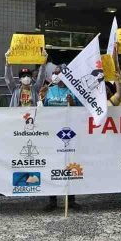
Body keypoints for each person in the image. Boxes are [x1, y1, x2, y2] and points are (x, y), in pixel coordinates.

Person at [39, 66, 82, 212]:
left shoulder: (73, 91)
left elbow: (80, 113)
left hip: (69, 133)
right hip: (52, 133)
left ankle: (71, 199)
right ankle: (52, 200)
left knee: (69, 165)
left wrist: (71, 103)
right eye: (54, 73)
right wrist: (42, 98)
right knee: (53, 166)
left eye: (58, 73)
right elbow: (43, 111)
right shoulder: (49, 90)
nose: (55, 75)